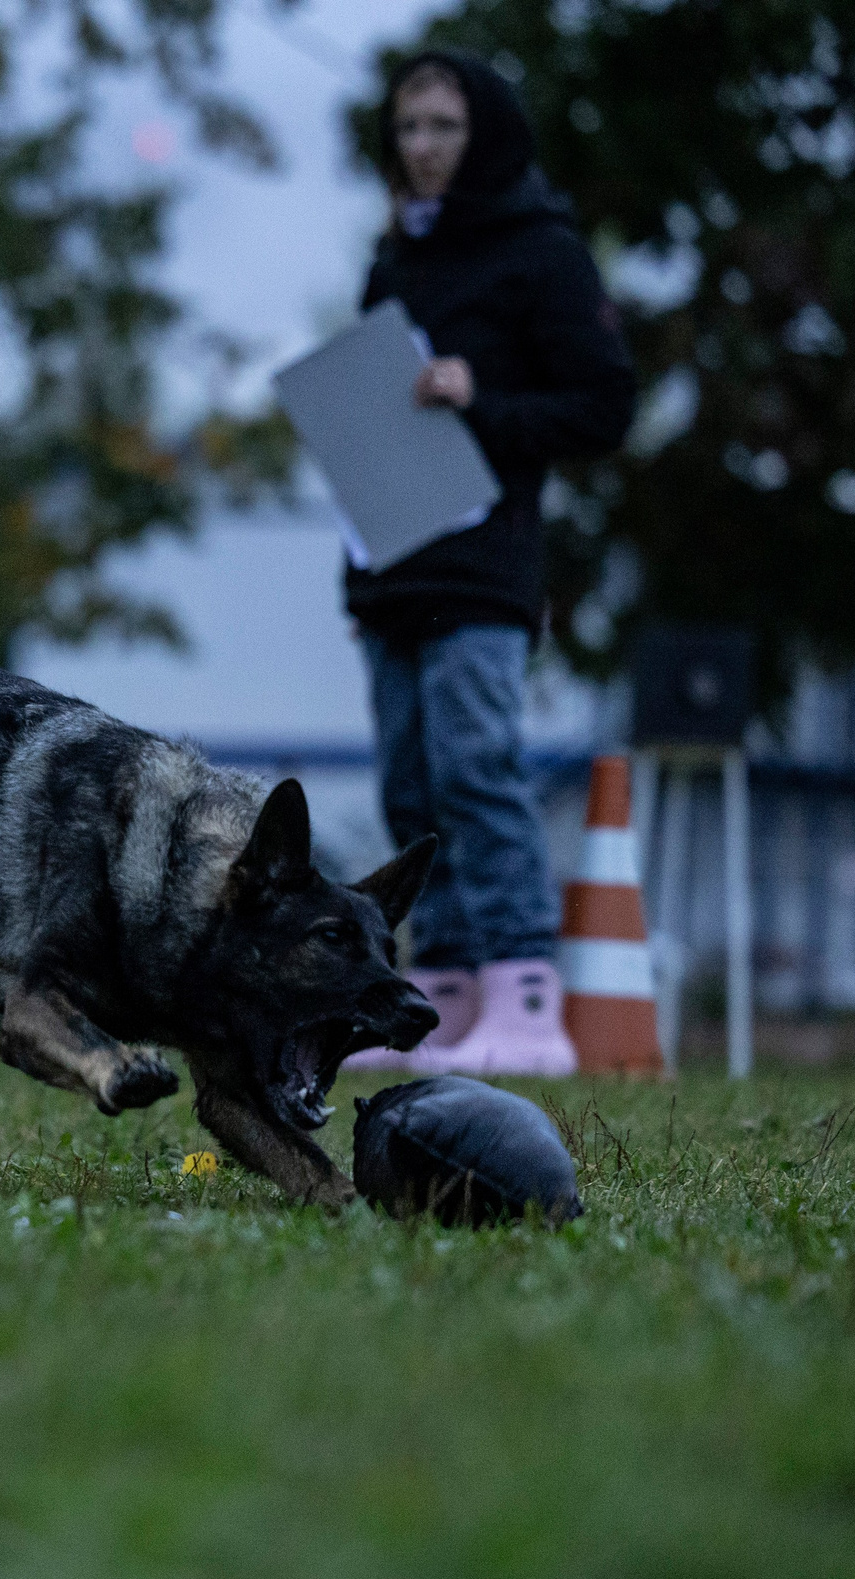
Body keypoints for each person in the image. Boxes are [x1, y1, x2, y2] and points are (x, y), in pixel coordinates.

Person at [342, 49, 634, 1078]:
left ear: (487, 136)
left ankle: (523, 992)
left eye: (441, 127)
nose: (420, 148)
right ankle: (447, 997)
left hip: (483, 566)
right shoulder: (395, 258)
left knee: (478, 772)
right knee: (412, 791)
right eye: (407, 129)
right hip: (391, 567)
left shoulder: (541, 251)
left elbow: (604, 404)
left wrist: (481, 398)